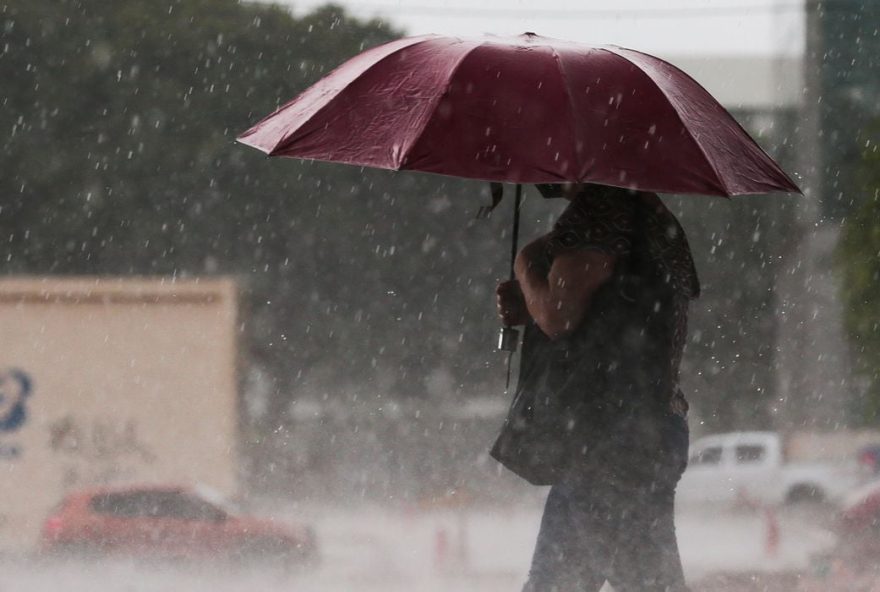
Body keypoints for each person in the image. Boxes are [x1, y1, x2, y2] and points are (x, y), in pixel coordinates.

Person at [494, 183, 700, 592]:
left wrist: (523, 267)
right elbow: (604, 313)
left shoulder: (600, 210)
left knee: (645, 583)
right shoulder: (653, 217)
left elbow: (557, 315)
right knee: (555, 584)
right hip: (641, 430)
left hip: (607, 440)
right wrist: (532, 300)